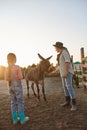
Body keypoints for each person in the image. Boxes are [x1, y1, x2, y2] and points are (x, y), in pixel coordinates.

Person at [5, 53, 29, 124]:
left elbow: (6, 78)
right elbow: (21, 77)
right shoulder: (17, 67)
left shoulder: (6, 68)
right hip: (17, 87)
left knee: (13, 102)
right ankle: (22, 119)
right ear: (15, 59)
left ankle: (15, 119)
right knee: (20, 102)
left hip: (10, 87)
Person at [52, 42, 77, 111]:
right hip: (63, 74)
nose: (55, 49)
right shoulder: (61, 54)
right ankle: (67, 101)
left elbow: (67, 62)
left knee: (69, 87)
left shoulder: (64, 52)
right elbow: (60, 65)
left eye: (55, 47)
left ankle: (74, 104)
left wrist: (66, 72)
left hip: (67, 73)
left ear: (58, 47)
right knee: (65, 87)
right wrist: (54, 71)